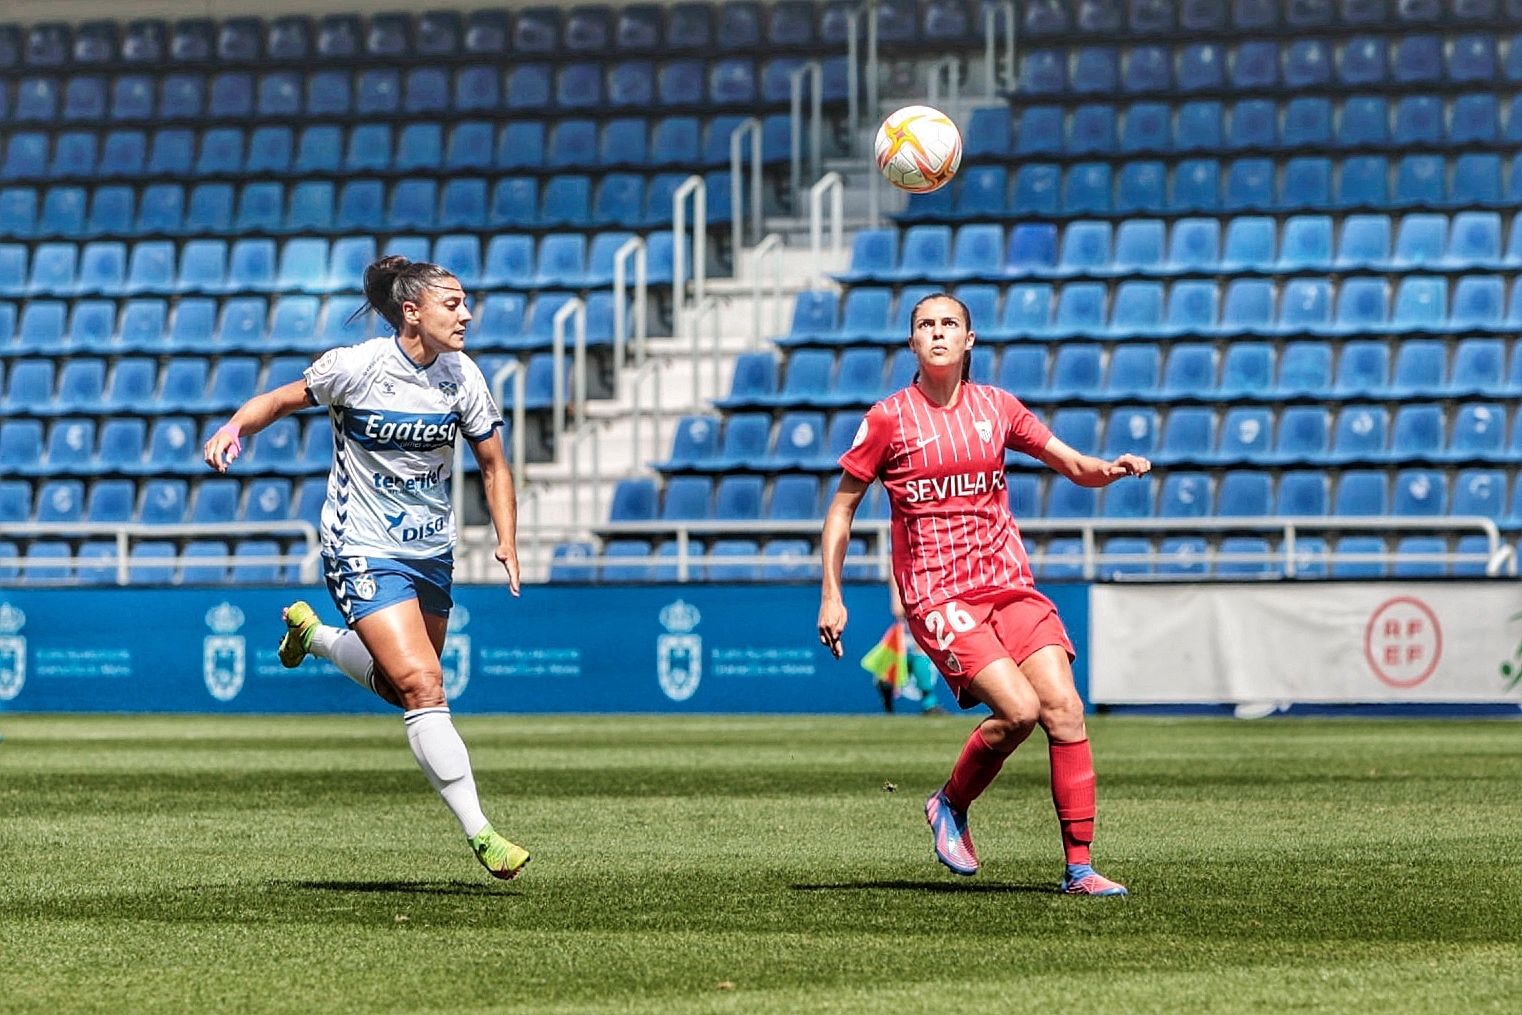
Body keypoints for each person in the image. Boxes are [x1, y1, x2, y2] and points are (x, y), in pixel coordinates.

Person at [203, 255, 530, 882]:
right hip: (360, 544)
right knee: (424, 687)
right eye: (453, 303)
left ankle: (317, 638)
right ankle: (482, 833)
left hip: (430, 549)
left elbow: (494, 464)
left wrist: (506, 539)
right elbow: (277, 399)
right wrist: (234, 427)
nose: (466, 314)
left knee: (403, 683)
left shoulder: (463, 377)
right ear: (413, 312)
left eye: (465, 303)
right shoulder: (356, 366)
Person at [816, 293, 1150, 896]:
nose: (938, 333)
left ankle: (1079, 869)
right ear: (911, 343)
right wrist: (831, 594)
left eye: (950, 324)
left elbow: (1072, 464)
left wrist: (1108, 468)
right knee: (1018, 711)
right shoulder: (889, 419)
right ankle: (949, 802)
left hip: (1009, 586)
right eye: (926, 325)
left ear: (969, 340)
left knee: (1065, 710)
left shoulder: (997, 407)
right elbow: (841, 511)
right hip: (939, 595)